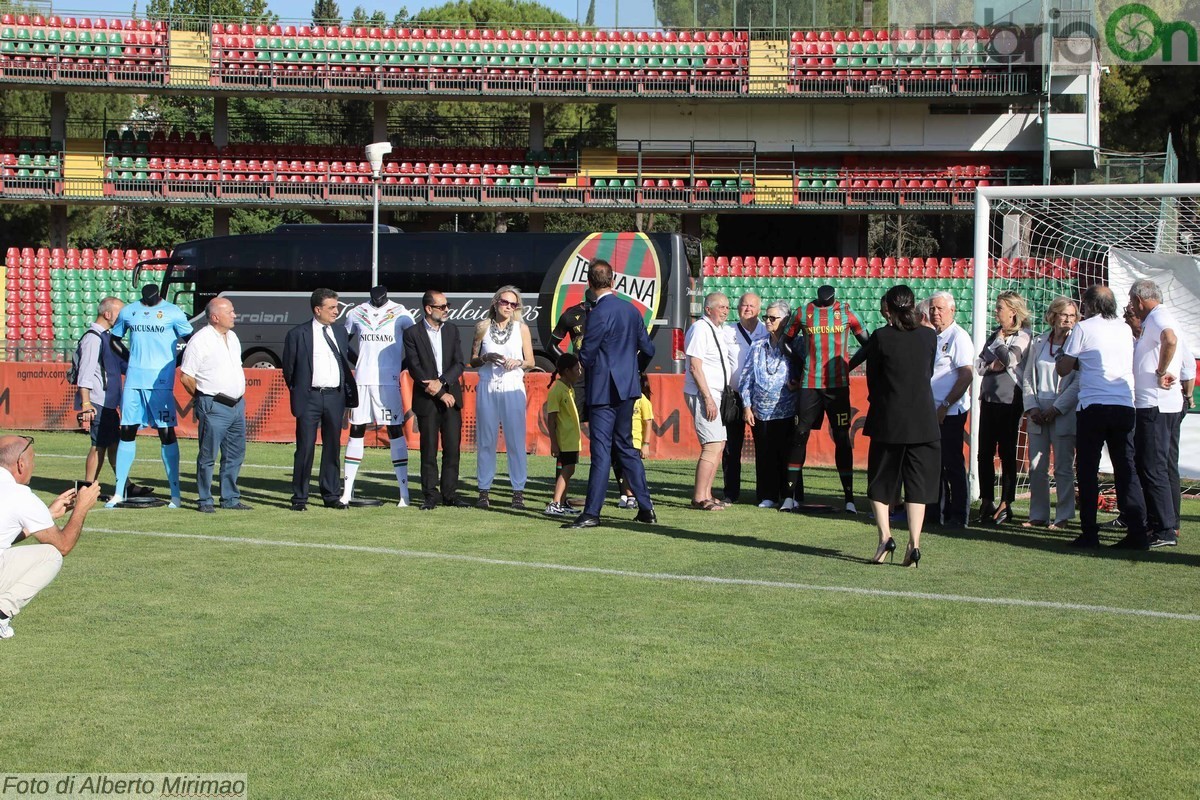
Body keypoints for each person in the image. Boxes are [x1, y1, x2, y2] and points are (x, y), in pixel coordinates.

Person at [1057, 285, 1151, 549]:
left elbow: (1064, 369)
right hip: (1124, 404)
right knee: (1126, 469)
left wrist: (1069, 356)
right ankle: (1137, 531)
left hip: (1094, 405)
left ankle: (1090, 532)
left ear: (1090, 305)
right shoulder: (1124, 328)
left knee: (1087, 470)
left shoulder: (1083, 328)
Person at [852, 286, 940, 568]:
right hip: (923, 420)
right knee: (917, 485)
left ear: (887, 308)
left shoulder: (881, 337)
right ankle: (914, 545)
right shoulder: (929, 335)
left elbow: (874, 380)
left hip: (889, 420)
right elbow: (927, 371)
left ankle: (885, 538)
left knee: (880, 483)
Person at [568, 260, 657, 528]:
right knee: (627, 448)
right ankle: (646, 508)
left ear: (589, 283)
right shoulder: (631, 310)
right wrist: (633, 371)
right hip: (628, 389)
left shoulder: (597, 312)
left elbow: (587, 352)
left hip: (603, 391)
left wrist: (582, 361)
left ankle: (592, 512)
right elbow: (648, 350)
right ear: (613, 281)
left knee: (601, 452)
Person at [0, 435, 102, 640]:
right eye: (33, 461)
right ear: (21, 464)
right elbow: (63, 545)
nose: (33, 466)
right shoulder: (21, 495)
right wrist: (81, 508)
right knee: (51, 555)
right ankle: (2, 613)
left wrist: (49, 514)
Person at [783, 285, 869, 514]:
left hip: (838, 387)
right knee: (800, 434)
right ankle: (788, 497)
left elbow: (868, 345)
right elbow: (785, 342)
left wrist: (849, 365)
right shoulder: (803, 312)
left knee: (842, 437)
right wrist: (802, 365)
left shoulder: (848, 313)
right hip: (809, 385)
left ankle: (849, 500)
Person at [107, 283, 193, 508]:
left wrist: (174, 363)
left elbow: (191, 341)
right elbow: (114, 339)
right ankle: (119, 492)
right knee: (127, 430)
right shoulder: (129, 311)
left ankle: (175, 494)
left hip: (161, 384)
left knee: (166, 432)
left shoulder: (174, 313)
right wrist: (129, 359)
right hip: (134, 381)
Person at [340, 285, 416, 507]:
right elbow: (342, 343)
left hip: (388, 384)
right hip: (361, 381)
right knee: (356, 429)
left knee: (394, 430)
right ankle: (347, 492)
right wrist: (359, 363)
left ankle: (404, 494)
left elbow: (414, 346)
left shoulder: (402, 313)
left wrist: (399, 368)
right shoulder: (356, 312)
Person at [72, 297, 153, 501]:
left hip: (108, 402)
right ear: (107, 314)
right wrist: (87, 403)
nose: (123, 318)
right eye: (119, 314)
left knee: (113, 444)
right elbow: (86, 372)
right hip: (98, 402)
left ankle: (123, 484)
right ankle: (87, 488)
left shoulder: (107, 338)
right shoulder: (93, 338)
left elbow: (122, 366)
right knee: (98, 444)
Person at [283, 288, 356, 511]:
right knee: (305, 448)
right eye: (332, 307)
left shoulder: (341, 332)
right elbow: (289, 369)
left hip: (335, 397)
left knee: (333, 447)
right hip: (310, 397)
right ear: (318, 310)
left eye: (337, 307)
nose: (336, 311)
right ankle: (300, 497)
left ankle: (331, 494)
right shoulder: (298, 334)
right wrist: (301, 393)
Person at [180, 297, 250, 513]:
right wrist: (202, 397)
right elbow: (186, 376)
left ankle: (229, 497)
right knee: (208, 455)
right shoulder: (200, 341)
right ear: (215, 317)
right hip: (214, 404)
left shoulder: (233, 337)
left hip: (237, 405)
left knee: (235, 454)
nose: (234, 315)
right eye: (230, 311)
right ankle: (205, 499)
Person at [1127, 279, 1183, 548]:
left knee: (1153, 467)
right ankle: (1160, 524)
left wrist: (1161, 371)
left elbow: (1169, 340)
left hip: (1155, 405)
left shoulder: (1159, 317)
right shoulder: (1158, 318)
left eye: (1131, 300)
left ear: (1139, 299)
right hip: (1159, 405)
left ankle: (1165, 529)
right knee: (1154, 465)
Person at [402, 290, 468, 511]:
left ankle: (450, 493)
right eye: (442, 306)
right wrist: (439, 392)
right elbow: (415, 368)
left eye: (447, 305)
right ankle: (430, 494)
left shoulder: (452, 330)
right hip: (428, 399)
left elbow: (459, 363)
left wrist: (442, 382)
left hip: (451, 396)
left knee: (452, 448)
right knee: (428, 449)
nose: (446, 310)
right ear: (429, 309)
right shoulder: (412, 333)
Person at [471, 285, 535, 510]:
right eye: (505, 302)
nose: (508, 306)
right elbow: (473, 359)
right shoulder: (482, 327)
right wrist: (486, 356)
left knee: (515, 440)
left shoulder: (521, 328)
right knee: (486, 439)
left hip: (512, 384)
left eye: (513, 304)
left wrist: (517, 362)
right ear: (495, 302)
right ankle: (484, 490)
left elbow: (531, 361)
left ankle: (518, 491)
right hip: (488, 383)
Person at [1020, 297, 1079, 529]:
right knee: (1036, 466)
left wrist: (1057, 408)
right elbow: (1027, 376)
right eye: (1064, 315)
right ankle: (1038, 515)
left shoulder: (1078, 343)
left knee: (1063, 467)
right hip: (1038, 411)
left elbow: (1078, 382)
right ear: (1053, 316)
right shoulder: (1039, 342)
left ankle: (1063, 516)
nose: (1068, 320)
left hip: (1063, 411)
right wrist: (1032, 405)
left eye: (1072, 316)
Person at [975, 291, 1033, 525]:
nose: (996, 312)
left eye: (1000, 308)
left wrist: (999, 349)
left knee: (1007, 452)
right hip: (988, 398)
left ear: (1013, 311)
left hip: (1009, 401)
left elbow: (1010, 359)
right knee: (984, 453)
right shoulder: (993, 336)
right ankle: (986, 498)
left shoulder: (1023, 336)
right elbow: (979, 365)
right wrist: (992, 365)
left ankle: (1006, 503)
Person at [739, 300, 797, 508]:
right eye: (766, 317)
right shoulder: (758, 345)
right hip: (762, 411)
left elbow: (803, 371)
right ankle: (767, 495)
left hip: (788, 409)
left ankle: (790, 495)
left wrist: (796, 383)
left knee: (788, 454)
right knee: (765, 455)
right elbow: (746, 378)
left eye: (773, 318)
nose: (768, 321)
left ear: (786, 320)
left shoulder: (794, 344)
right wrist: (746, 406)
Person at [926, 291, 974, 529]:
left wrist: (945, 405)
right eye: (933, 308)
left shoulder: (958, 336)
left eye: (940, 309)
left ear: (952, 310)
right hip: (931, 410)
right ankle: (935, 512)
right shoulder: (932, 336)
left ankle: (959, 514)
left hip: (950, 411)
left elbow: (966, 374)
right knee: (934, 463)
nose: (935, 312)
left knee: (953, 463)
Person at [683, 291, 733, 511]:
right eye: (721, 307)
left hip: (715, 395)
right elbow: (695, 366)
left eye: (727, 307)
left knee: (719, 444)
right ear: (708, 309)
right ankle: (699, 497)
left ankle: (707, 493)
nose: (725, 311)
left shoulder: (715, 330)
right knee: (711, 445)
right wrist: (707, 398)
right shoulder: (700, 329)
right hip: (705, 394)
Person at [722, 292, 767, 504]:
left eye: (751, 305)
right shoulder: (726, 331)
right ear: (737, 308)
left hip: (760, 398)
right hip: (734, 396)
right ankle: (731, 492)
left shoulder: (766, 331)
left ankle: (764, 494)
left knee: (764, 446)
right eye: (743, 305)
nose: (747, 308)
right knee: (731, 447)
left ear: (759, 309)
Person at [544, 352, 582, 516]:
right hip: (564, 439)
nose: (579, 372)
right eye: (576, 369)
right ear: (567, 371)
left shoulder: (569, 389)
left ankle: (562, 502)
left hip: (572, 439)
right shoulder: (556, 391)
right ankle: (555, 503)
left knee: (570, 469)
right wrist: (554, 442)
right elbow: (551, 419)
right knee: (566, 470)